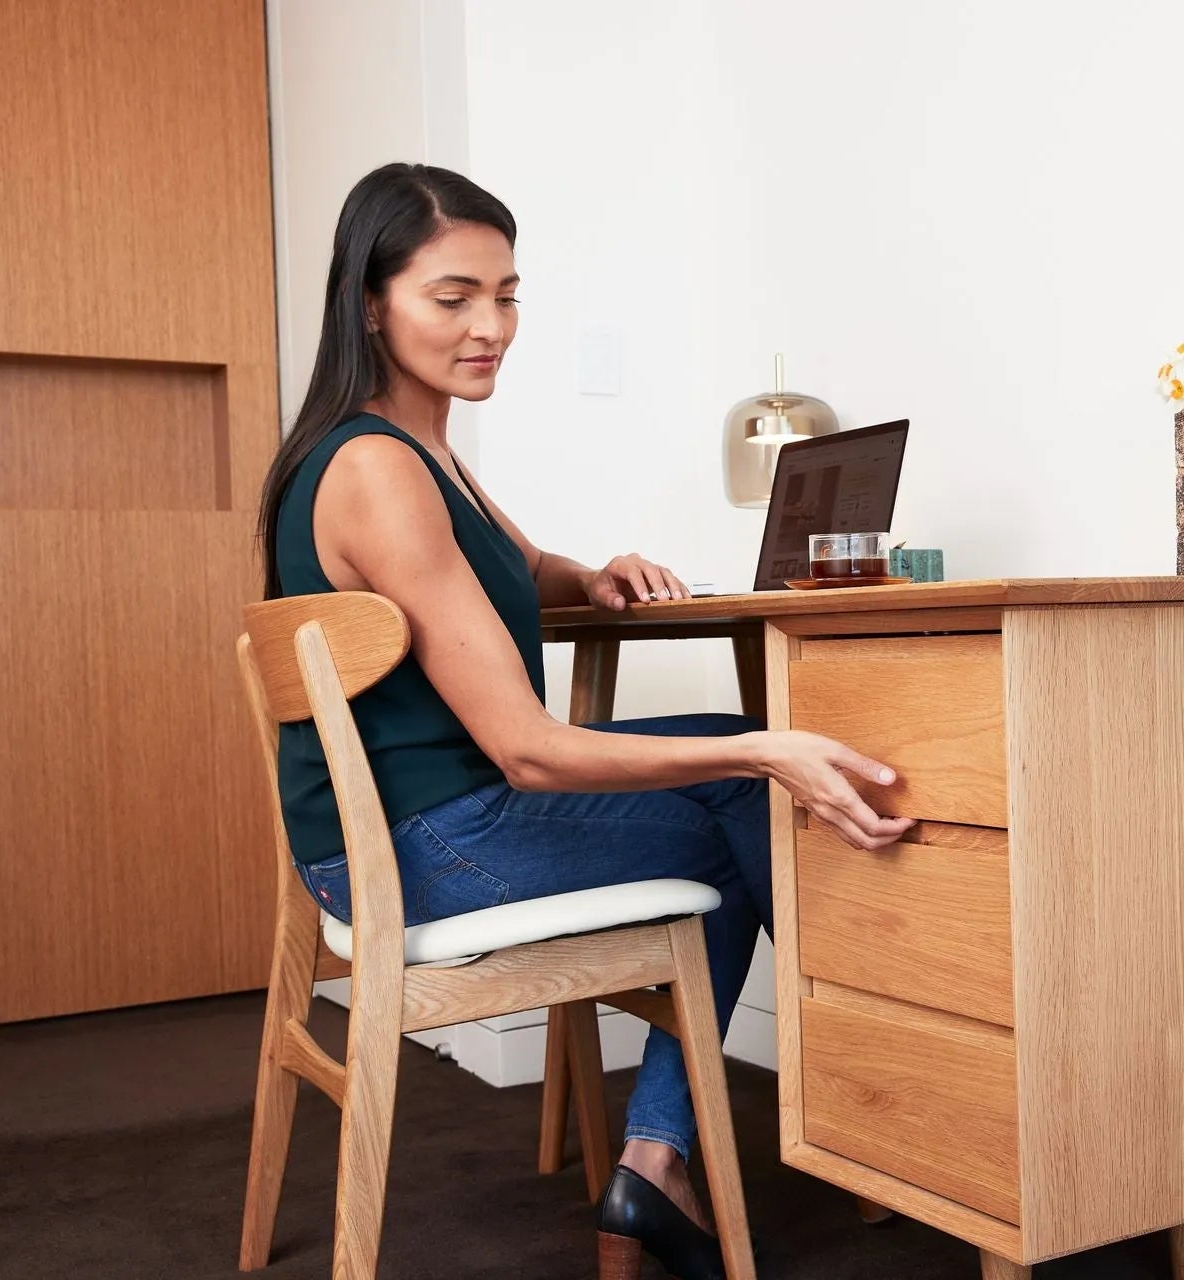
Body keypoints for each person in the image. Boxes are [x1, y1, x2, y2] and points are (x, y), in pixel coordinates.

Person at [255, 162, 913, 1280]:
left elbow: (504, 569)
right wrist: (767, 744)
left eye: (507, 295)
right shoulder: (380, 468)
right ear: (373, 301)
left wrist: (591, 574)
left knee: (728, 810)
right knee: (747, 799)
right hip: (432, 846)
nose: (491, 326)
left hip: (393, 839)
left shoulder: (412, 451)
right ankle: (878, 1095)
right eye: (452, 297)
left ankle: (690, 1150)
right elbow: (527, 746)